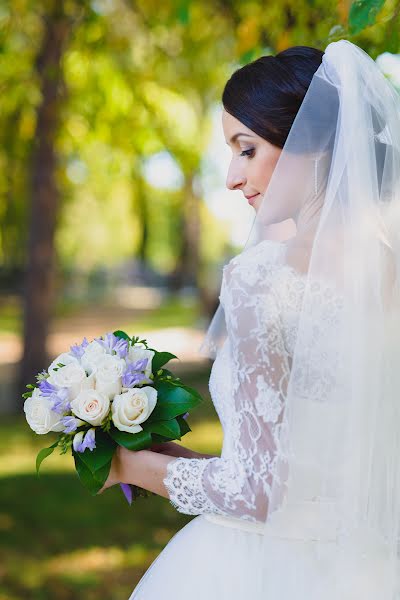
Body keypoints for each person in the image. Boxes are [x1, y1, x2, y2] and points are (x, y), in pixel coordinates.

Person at [100, 40, 400, 599]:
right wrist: (179, 461)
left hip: (264, 571)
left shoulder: (263, 276)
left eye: (246, 149)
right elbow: (312, 463)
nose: (233, 178)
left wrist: (127, 467)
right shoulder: (389, 265)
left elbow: (261, 494)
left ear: (309, 141)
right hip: (371, 567)